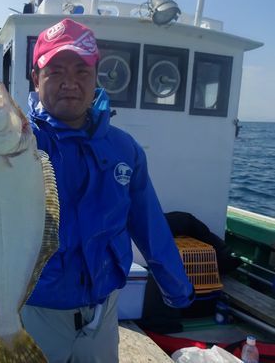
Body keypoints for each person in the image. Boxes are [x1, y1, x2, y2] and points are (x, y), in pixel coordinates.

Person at [18, 18, 194, 362]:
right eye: (56, 71)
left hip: (102, 311)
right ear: (36, 79)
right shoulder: (16, 143)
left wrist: (177, 290)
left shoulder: (125, 149)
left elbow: (150, 225)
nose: (70, 83)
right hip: (33, 311)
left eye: (82, 71)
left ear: (96, 77)